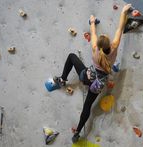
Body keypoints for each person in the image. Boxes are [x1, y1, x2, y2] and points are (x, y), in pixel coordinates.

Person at [54, 4, 132, 143]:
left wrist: (91, 21)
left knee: (72, 56)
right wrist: (123, 12)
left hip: (86, 77)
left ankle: (63, 79)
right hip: (97, 85)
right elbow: (120, 29)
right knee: (87, 106)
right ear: (109, 44)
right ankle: (77, 132)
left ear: (100, 46)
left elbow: (93, 33)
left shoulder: (95, 48)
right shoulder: (114, 47)